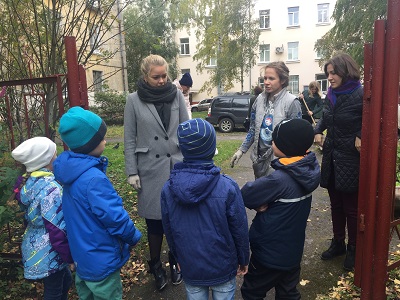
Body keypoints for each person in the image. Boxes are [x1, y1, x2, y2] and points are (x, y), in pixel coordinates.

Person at [53, 107, 142, 299]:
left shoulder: (70, 173)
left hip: (82, 259)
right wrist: (132, 235)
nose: (105, 140)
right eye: (101, 137)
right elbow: (114, 216)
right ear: (89, 144)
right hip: (101, 258)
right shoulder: (93, 179)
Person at [161, 118, 250, 300]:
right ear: (212, 148)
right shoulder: (228, 187)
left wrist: (178, 257)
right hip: (223, 265)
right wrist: (243, 258)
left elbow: (169, 229)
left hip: (190, 264)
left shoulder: (168, 188)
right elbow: (239, 228)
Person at [124, 54, 189, 290]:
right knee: (154, 222)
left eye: (164, 76)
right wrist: (132, 171)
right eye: (156, 77)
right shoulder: (133, 100)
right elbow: (129, 138)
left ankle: (175, 261)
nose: (162, 81)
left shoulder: (177, 95)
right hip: (150, 168)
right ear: (145, 76)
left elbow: (186, 129)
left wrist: (191, 163)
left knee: (177, 218)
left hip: (176, 165)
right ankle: (154, 264)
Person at [240, 118, 320, 300]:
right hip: (292, 251)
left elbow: (246, 194)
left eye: (275, 140)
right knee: (288, 292)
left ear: (286, 146)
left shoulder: (279, 180)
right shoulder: (309, 170)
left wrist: (257, 204)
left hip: (268, 254)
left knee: (252, 291)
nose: (272, 142)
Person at [314, 53, 363, 271]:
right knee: (335, 203)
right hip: (332, 154)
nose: (330, 77)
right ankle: (338, 243)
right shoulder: (331, 93)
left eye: (333, 73)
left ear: (345, 71)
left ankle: (354, 248)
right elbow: (326, 115)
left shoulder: (360, 93)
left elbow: (371, 119)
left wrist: (362, 134)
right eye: (328, 73)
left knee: (351, 208)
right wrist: (317, 130)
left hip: (351, 158)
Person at [11, 137, 73, 300]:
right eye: (55, 155)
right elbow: (56, 228)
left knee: (65, 281)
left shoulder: (30, 183)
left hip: (37, 245)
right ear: (46, 160)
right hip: (50, 250)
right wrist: (69, 257)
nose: (57, 157)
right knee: (54, 290)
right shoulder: (50, 189)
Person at [230, 61, 302, 178]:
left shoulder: (292, 103)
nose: (266, 82)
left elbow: (297, 140)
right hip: (259, 161)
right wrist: (241, 151)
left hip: (280, 164)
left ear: (282, 80)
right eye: (265, 78)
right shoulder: (259, 100)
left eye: (271, 78)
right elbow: (253, 128)